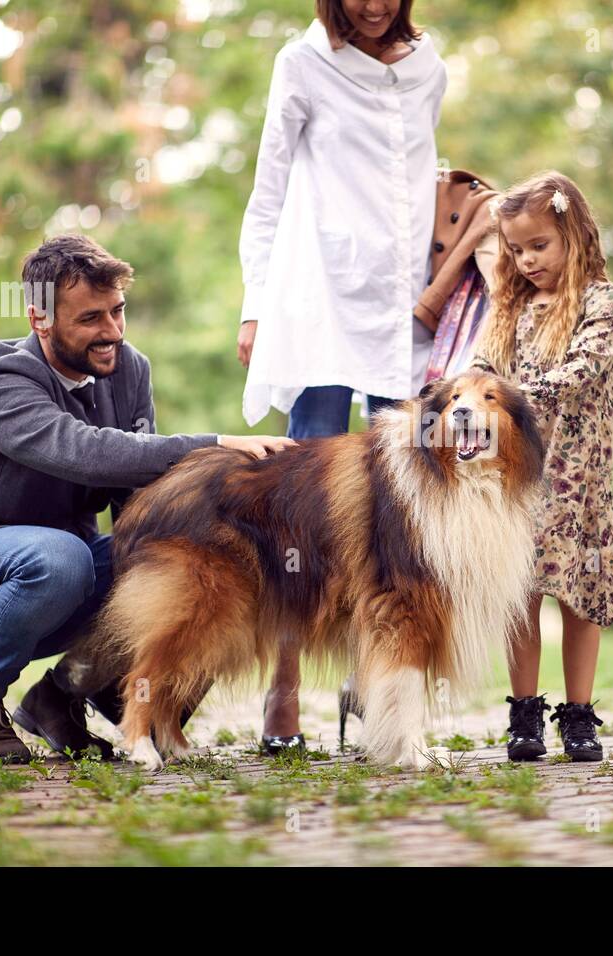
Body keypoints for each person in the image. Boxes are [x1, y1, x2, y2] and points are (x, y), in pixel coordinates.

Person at [0, 234, 294, 762]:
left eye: (118, 311)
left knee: (206, 569)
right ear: (40, 320)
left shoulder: (129, 370)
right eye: (90, 319)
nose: (112, 333)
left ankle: (63, 695)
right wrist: (214, 445)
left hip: (62, 580)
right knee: (62, 557)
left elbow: (136, 495)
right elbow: (86, 451)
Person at [233, 0, 447, 753]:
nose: (373, 4)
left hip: (402, 311)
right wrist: (256, 307)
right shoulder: (302, 64)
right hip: (318, 297)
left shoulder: (429, 68)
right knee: (303, 505)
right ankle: (283, 691)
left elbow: (425, 183)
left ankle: (380, 691)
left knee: (404, 510)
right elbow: (268, 192)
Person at [469, 171, 613, 762]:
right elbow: (482, 372)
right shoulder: (508, 305)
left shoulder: (600, 302)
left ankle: (580, 715)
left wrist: (505, 398)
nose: (527, 259)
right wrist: (466, 394)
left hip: (578, 479)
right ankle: (525, 714)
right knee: (522, 593)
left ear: (574, 232)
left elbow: (581, 373)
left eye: (540, 245)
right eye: (516, 249)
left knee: (581, 594)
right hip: (520, 478)